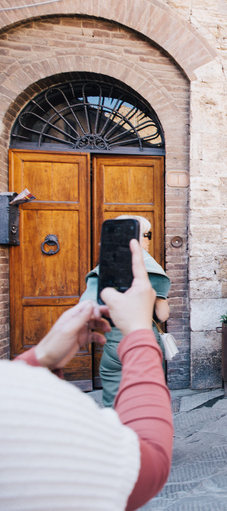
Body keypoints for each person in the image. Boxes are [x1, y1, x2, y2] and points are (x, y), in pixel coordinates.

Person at [0, 239, 173, 510]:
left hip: (109, 351)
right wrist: (139, 331)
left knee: (111, 398)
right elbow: (148, 470)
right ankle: (122, 442)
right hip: (135, 346)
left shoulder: (99, 274)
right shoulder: (153, 276)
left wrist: (38, 358)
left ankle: (114, 433)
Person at [80, 215, 171, 408]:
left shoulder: (104, 267)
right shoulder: (151, 269)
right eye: (148, 235)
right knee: (146, 406)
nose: (149, 241)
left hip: (112, 347)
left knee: (113, 408)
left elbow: (87, 308)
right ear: (139, 237)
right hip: (143, 344)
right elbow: (162, 316)